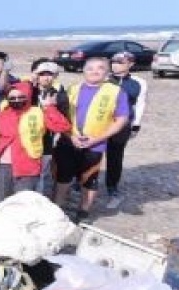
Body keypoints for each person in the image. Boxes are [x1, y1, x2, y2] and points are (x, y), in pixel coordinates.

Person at [53, 57, 129, 221]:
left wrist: (97, 139)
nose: (95, 71)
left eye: (100, 68)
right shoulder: (72, 89)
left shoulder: (115, 91)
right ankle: (57, 207)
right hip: (69, 140)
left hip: (96, 144)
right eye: (90, 68)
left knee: (89, 179)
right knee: (63, 176)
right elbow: (60, 116)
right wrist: (70, 135)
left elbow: (121, 119)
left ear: (107, 72)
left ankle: (84, 211)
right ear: (83, 71)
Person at [0, 81, 71, 204]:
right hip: (4, 166)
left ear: (28, 96)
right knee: (0, 202)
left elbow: (63, 127)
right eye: (12, 98)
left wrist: (50, 108)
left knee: (23, 204)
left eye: (21, 97)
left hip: (28, 166)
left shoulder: (37, 113)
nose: (16, 100)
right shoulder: (1, 115)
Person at [105, 51, 148, 210]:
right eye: (114, 61)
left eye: (120, 62)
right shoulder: (104, 79)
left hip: (122, 125)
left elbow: (140, 104)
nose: (115, 64)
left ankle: (112, 186)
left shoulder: (139, 82)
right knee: (91, 154)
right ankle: (82, 182)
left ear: (131, 64)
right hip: (100, 124)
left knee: (115, 157)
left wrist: (136, 124)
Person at [29, 60, 68, 195]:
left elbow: (63, 120)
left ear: (55, 76)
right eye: (42, 74)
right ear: (37, 76)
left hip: (47, 139)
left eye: (49, 74)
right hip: (29, 137)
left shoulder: (59, 95)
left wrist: (50, 108)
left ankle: (38, 197)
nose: (46, 77)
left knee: (42, 172)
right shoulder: (29, 92)